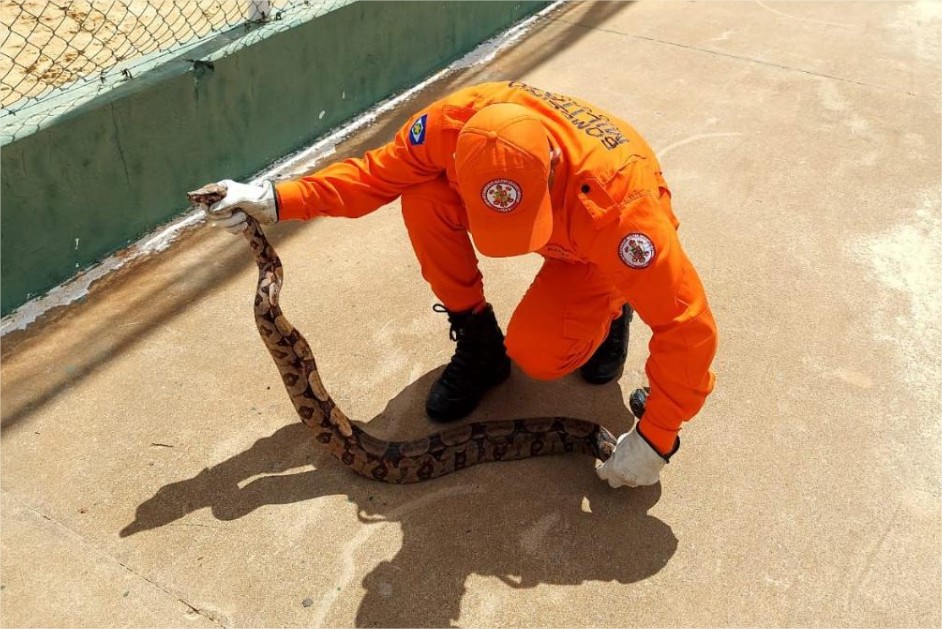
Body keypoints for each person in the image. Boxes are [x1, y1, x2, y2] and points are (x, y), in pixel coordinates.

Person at [205, 81, 718, 488]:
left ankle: (615, 305)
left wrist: (656, 437)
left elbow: (686, 325)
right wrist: (276, 198)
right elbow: (373, 176)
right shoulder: (453, 126)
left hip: (595, 249)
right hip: (561, 219)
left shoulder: (624, 211)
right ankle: (479, 344)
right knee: (422, 193)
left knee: (540, 356)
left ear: (553, 170)